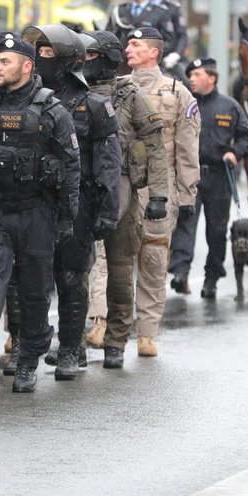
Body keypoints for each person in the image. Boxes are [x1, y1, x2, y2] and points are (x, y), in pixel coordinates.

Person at [0, 35, 80, 392]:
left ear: (27, 67)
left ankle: (27, 361)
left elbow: (71, 167)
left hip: (36, 211)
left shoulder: (52, 111)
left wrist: (68, 217)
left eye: (6, 61)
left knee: (34, 290)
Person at [22, 25, 121, 380]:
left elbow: (109, 161)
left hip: (76, 203)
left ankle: (69, 348)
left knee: (70, 276)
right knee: (29, 277)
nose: (40, 60)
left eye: (48, 54)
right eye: (38, 53)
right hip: (31, 201)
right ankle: (27, 347)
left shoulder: (94, 105)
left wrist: (109, 209)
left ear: (67, 60)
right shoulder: (25, 99)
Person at [103, 27, 199, 364]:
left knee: (153, 262)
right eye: (127, 44)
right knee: (109, 260)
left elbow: (187, 149)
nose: (128, 49)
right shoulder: (114, 90)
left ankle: (146, 333)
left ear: (154, 52)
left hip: (160, 190)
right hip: (121, 187)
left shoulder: (177, 93)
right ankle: (102, 323)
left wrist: (187, 195)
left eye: (135, 44)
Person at [79, 30, 168, 351]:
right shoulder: (73, 92)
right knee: (74, 270)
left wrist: (159, 195)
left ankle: (117, 341)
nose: (85, 61)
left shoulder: (131, 97)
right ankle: (72, 343)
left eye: (90, 55)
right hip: (79, 189)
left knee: (118, 272)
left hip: (122, 189)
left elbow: (156, 146)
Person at [169, 58, 248, 298]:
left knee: (216, 231)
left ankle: (212, 277)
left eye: (197, 75)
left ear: (212, 78)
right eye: (190, 75)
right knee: (185, 223)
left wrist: (234, 153)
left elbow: (247, 138)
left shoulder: (229, 106)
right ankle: (180, 272)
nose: (192, 79)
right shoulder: (185, 104)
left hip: (218, 176)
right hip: (188, 175)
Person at [105, 0, 174, 50]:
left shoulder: (160, 12)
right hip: (121, 59)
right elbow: (108, 36)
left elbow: (168, 41)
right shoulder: (119, 10)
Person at [147, 0, 189, 82]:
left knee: (189, 83)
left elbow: (182, 35)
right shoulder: (142, 9)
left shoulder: (172, 9)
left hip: (169, 58)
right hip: (146, 56)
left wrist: (176, 54)